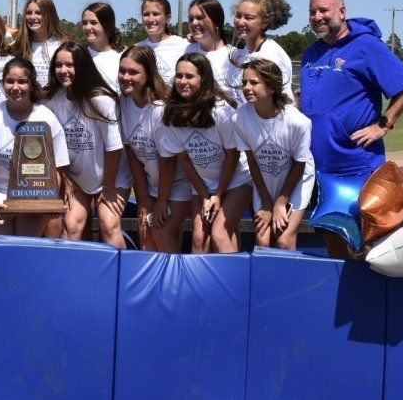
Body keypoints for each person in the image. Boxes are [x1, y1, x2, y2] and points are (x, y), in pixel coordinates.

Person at [301, 0, 403, 257]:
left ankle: (373, 299)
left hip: (356, 163)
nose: (317, 16)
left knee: (366, 242)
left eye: (323, 10)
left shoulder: (365, 46)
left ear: (342, 11)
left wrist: (383, 124)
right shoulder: (311, 52)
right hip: (320, 165)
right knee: (332, 236)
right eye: (312, 11)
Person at [0, 57, 69, 237]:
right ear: (3, 83)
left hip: (34, 197)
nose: (15, 87)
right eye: (9, 81)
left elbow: (58, 167)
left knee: (26, 246)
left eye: (22, 82)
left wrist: (47, 199)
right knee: (1, 247)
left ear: (32, 84)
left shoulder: (46, 118)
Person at [159, 52, 252, 253]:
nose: (182, 81)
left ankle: (233, 282)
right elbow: (184, 159)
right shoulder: (173, 112)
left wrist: (218, 195)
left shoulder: (221, 110)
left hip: (237, 179)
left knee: (220, 233)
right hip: (203, 184)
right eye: (179, 75)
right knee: (199, 238)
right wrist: (204, 194)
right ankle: (196, 284)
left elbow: (233, 156)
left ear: (203, 78)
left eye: (189, 76)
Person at [44, 41, 128, 248]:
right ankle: (73, 277)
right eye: (58, 65)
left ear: (82, 66)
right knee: (71, 226)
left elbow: (114, 148)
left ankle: (122, 275)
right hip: (78, 179)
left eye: (70, 65)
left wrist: (108, 187)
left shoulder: (101, 99)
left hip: (113, 176)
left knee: (109, 224)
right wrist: (65, 179)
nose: (63, 71)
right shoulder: (53, 99)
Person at [118, 45, 192, 252]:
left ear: (148, 75)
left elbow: (168, 161)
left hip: (178, 184)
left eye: (133, 72)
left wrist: (160, 202)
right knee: (145, 233)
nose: (126, 77)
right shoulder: (124, 102)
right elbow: (132, 153)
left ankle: (173, 283)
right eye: (122, 70)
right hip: (152, 185)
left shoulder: (160, 109)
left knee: (160, 232)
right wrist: (143, 200)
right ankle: (153, 284)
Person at [233, 59, 314, 250]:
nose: (246, 87)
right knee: (262, 238)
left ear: (271, 87)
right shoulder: (239, 118)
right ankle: (264, 280)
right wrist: (267, 203)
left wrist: (280, 202)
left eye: (254, 82)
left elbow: (299, 165)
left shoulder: (298, 122)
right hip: (264, 180)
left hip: (296, 180)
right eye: (244, 82)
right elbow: (252, 162)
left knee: (284, 239)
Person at [232, 0, 295, 97]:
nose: (241, 22)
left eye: (249, 18)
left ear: (265, 23)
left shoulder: (271, 56)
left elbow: (282, 100)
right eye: (238, 16)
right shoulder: (242, 53)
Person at [184, 0, 244, 103]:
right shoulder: (187, 49)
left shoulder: (235, 56)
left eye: (200, 18)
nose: (194, 23)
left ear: (216, 21)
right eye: (191, 19)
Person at [13, 0, 69, 86]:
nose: (32, 17)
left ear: (50, 15)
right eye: (29, 13)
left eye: (38, 13)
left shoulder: (63, 45)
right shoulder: (17, 47)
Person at [136, 0, 188, 85]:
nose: (151, 19)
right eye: (146, 14)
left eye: (156, 14)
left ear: (167, 18)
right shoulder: (137, 48)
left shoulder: (183, 46)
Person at [81, 2, 124, 91]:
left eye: (93, 23)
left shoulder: (122, 56)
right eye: (84, 23)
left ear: (107, 25)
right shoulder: (79, 55)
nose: (88, 27)